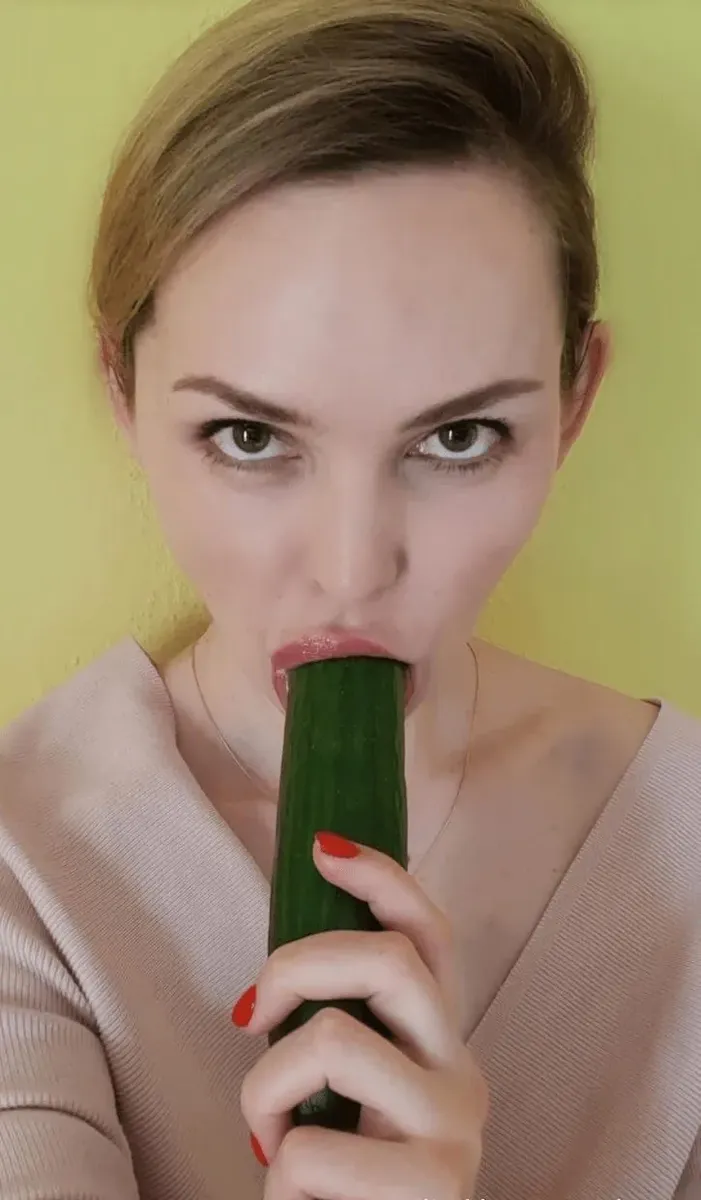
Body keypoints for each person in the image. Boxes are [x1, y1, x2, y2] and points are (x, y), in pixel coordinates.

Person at [0, 0, 699, 1195]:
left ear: (572, 402)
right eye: (249, 436)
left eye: (459, 437)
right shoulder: (24, 869)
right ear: (122, 392)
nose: (350, 568)